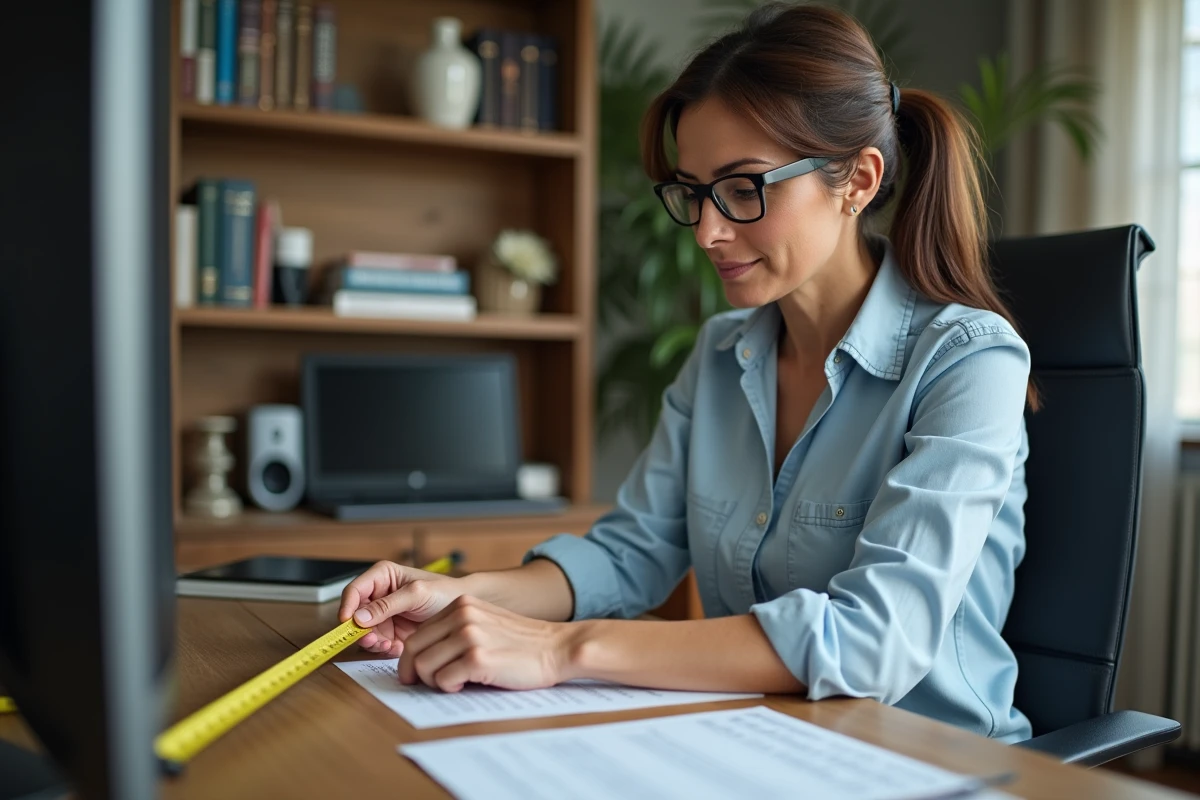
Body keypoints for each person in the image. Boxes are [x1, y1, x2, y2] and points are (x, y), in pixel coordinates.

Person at [339, 2, 1036, 743]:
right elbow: (630, 553)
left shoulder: (968, 361)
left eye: (743, 188)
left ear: (857, 181)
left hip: (930, 760)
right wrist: (465, 595)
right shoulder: (720, 352)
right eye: (694, 192)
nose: (708, 230)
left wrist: (557, 649)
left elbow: (874, 642)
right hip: (760, 740)